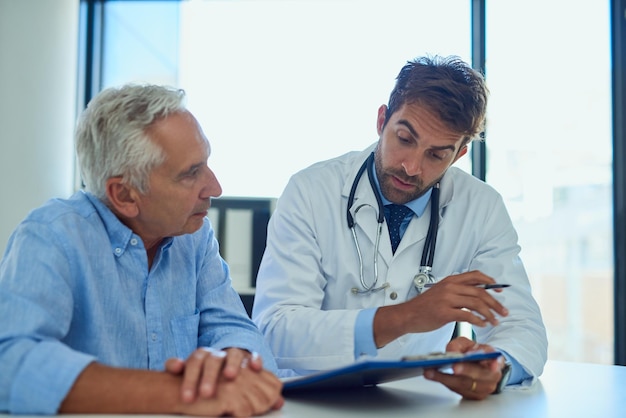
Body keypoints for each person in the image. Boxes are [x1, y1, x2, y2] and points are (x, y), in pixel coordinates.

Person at [252, 55, 548, 400]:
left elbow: (520, 325)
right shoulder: (311, 190)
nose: (411, 167)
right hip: (310, 401)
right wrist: (407, 316)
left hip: (416, 401)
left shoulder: (481, 208)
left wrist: (496, 368)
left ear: (459, 155)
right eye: (405, 139)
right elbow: (275, 330)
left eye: (436, 155)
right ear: (382, 120)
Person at [0, 84, 283, 416]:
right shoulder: (51, 236)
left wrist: (234, 366)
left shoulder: (193, 236)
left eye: (205, 164)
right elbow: (11, 362)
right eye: (191, 174)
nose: (215, 188)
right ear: (124, 195)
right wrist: (178, 393)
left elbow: (234, 330)